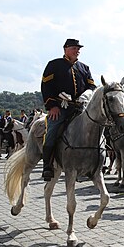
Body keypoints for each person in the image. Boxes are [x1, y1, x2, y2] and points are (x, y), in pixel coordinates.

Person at [41, 38, 96, 181]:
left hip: (80, 107)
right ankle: (47, 165)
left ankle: (93, 163)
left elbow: (91, 86)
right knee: (52, 130)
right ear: (65, 49)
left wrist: (86, 94)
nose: (77, 51)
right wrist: (52, 106)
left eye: (78, 49)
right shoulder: (54, 65)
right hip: (60, 108)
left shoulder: (84, 68)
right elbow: (46, 86)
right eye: (74, 48)